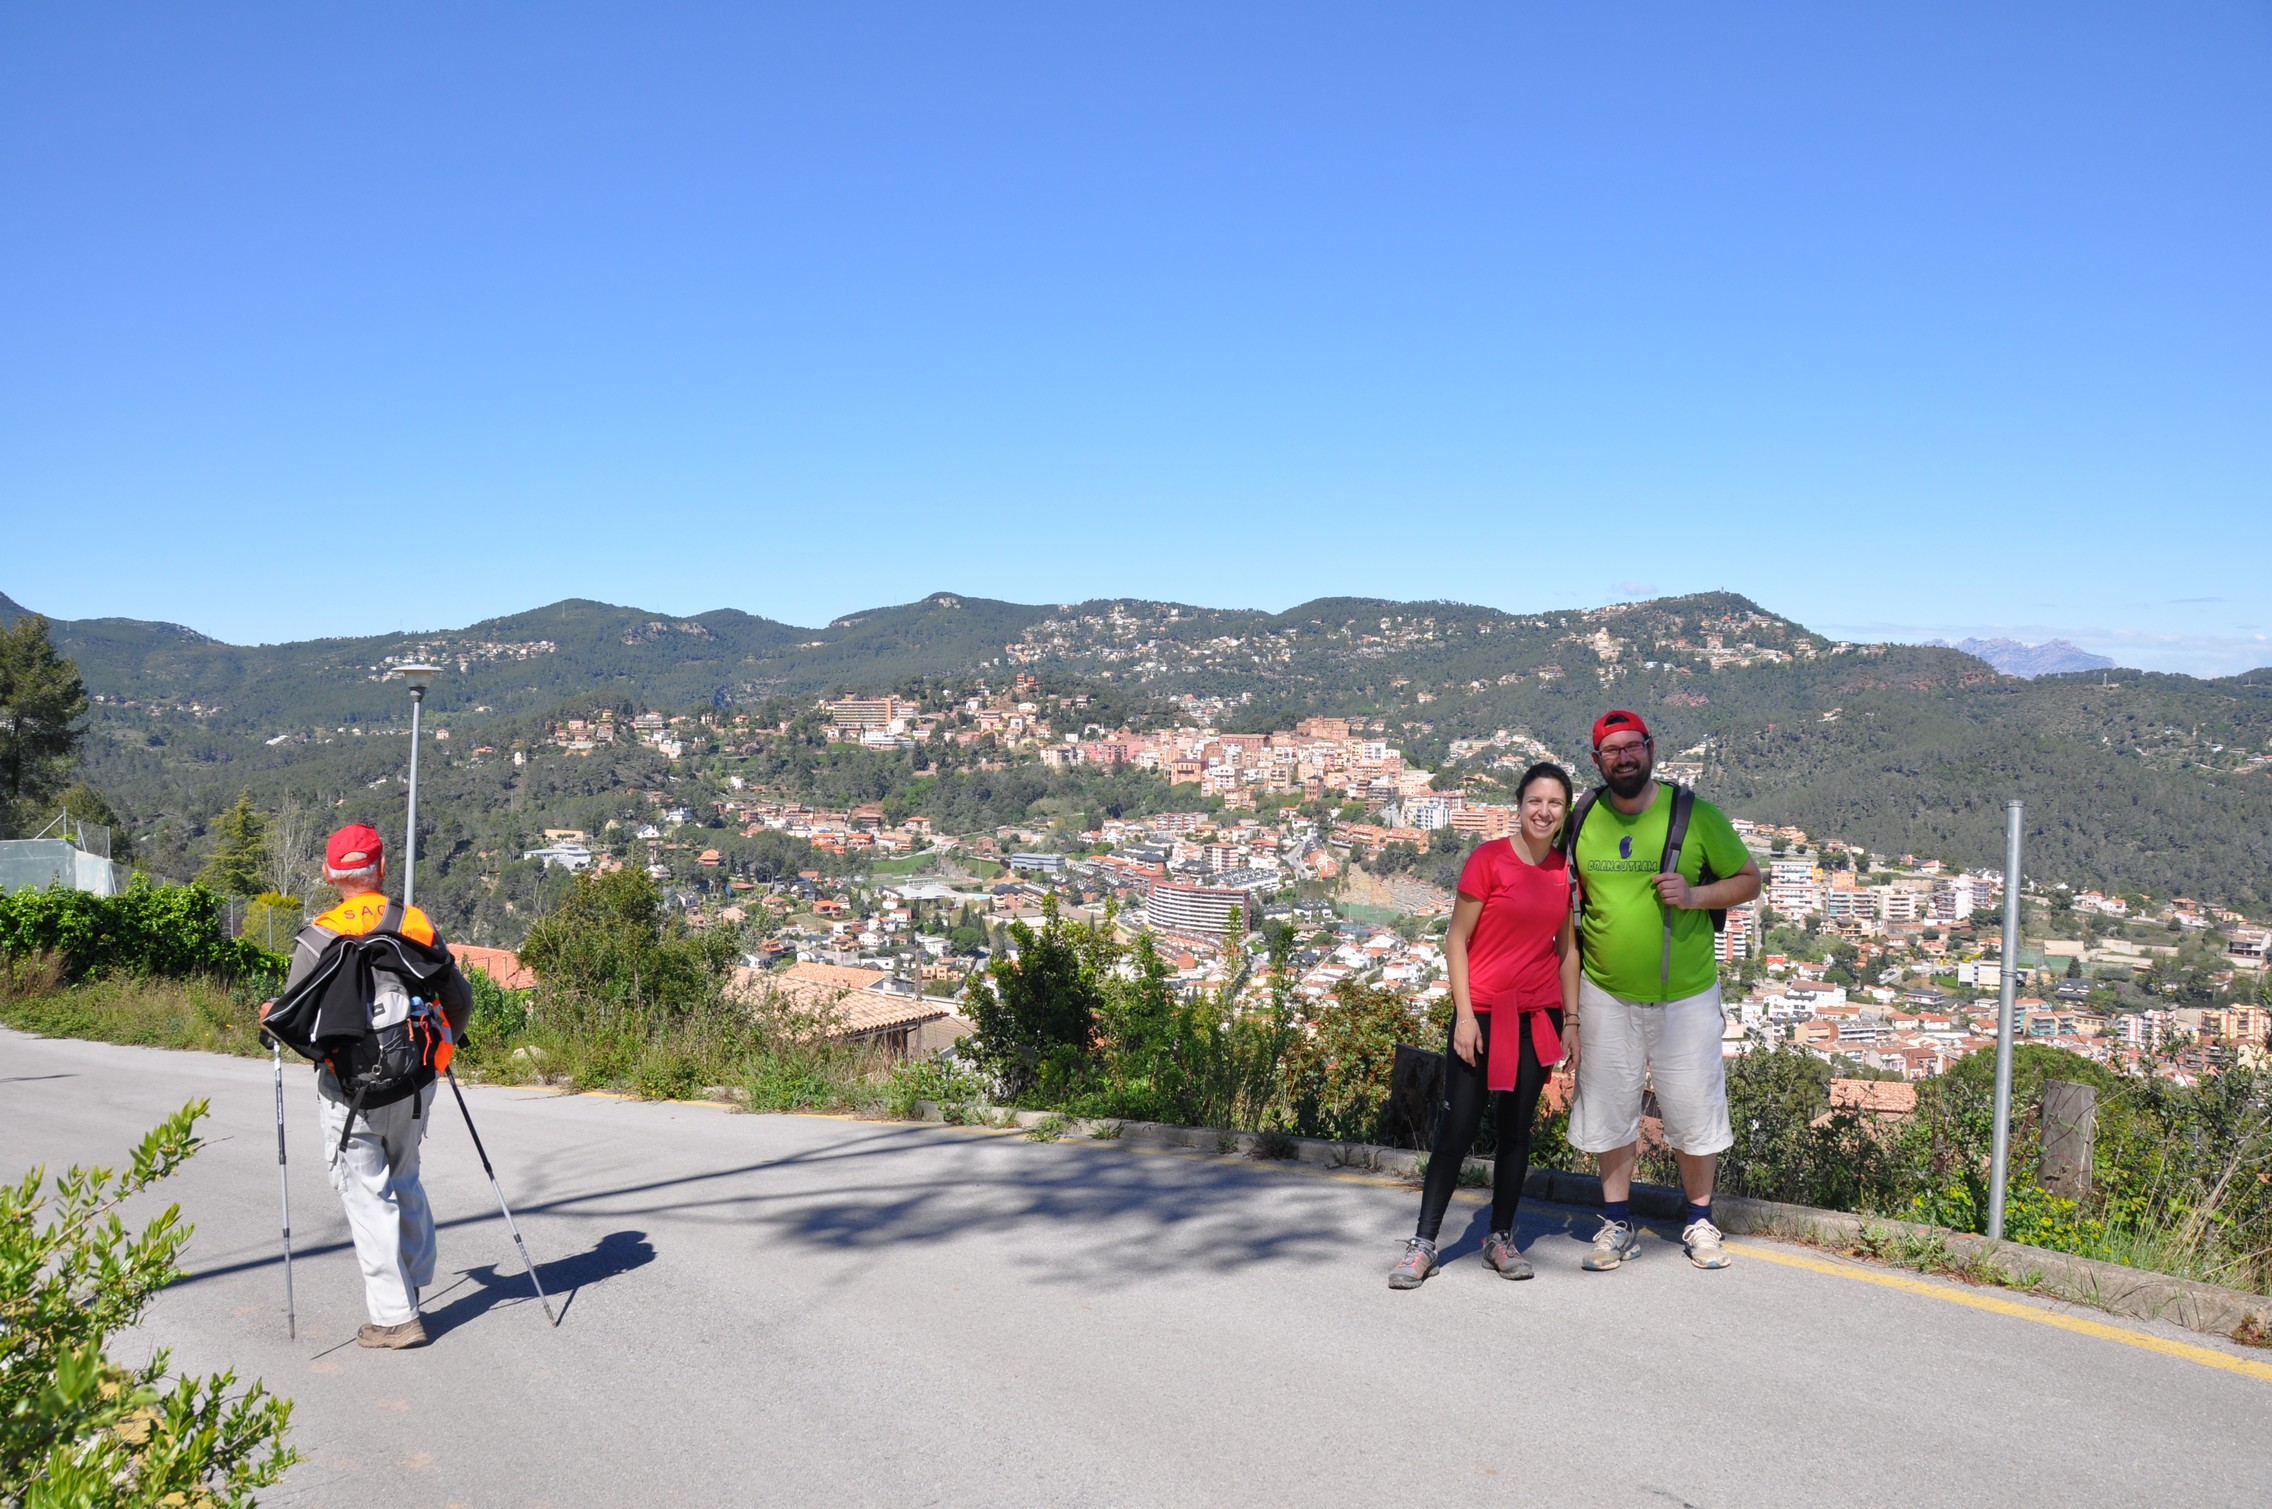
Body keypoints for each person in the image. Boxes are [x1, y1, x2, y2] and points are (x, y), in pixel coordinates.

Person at [1564, 711, 1760, 1272]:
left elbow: (1749, 879)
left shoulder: (1695, 814)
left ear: (1651, 749)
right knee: (1610, 1110)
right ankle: (1616, 1221)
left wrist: (1695, 896)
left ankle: (1699, 1220)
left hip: (1686, 998)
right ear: (1596, 759)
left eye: (1633, 747)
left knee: (1693, 1110)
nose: (1624, 757)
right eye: (1612, 750)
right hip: (1605, 993)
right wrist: (1570, 1015)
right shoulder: (1582, 818)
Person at [266, 823, 471, 1349]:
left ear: (328, 873)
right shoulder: (413, 922)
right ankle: (414, 1279)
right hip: (415, 1081)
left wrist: (269, 1016)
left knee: (366, 1196)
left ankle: (395, 1318)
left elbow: (295, 1023)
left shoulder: (317, 937)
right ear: (381, 868)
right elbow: (459, 999)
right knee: (406, 1175)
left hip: (348, 1092)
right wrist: (441, 1053)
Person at [1390, 763, 1581, 1289]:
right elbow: (1457, 938)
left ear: (1565, 812)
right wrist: (1466, 1016)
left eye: (1555, 803)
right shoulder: (1489, 859)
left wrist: (1572, 1019)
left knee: (1516, 1134)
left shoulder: (1564, 872)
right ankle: (1423, 1244)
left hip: (1535, 1018)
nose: (1544, 811)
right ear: (1519, 805)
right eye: (1535, 801)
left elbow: (1567, 950)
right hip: (1482, 1016)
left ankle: (1499, 1238)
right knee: (1456, 1131)